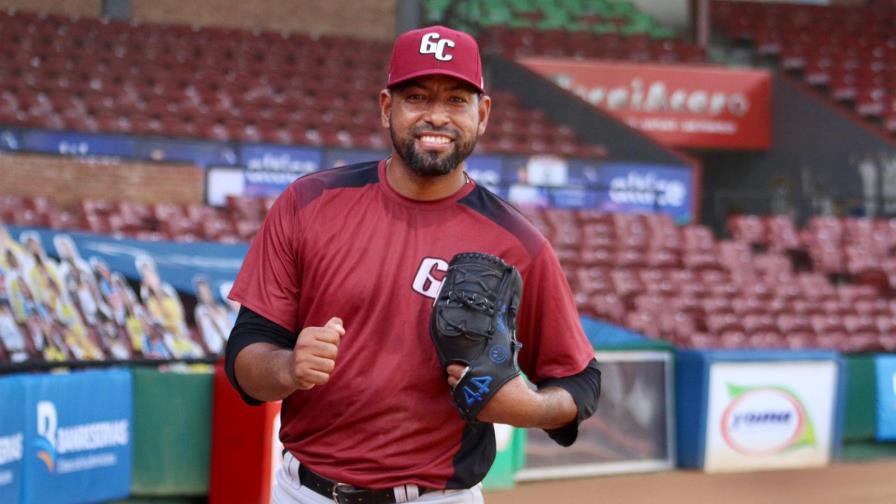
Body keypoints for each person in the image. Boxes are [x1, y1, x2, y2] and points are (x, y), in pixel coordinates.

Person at [225, 26, 600, 504]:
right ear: (387, 108)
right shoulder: (309, 203)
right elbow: (245, 356)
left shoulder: (518, 243)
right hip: (307, 492)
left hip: (438, 497)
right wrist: (288, 367)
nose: (436, 116)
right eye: (417, 97)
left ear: (482, 114)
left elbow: (581, 382)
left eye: (457, 100)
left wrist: (528, 407)